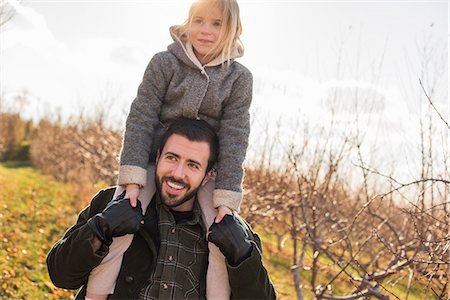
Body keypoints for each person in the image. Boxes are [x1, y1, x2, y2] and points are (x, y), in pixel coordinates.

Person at [87, 0, 253, 298]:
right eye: (198, 20)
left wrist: (226, 197)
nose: (205, 30)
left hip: (201, 172)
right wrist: (133, 178)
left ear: (233, 30)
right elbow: (142, 115)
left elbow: (235, 137)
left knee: (217, 241)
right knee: (122, 221)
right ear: (188, 22)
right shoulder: (165, 62)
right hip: (156, 162)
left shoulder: (238, 79)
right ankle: (96, 294)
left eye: (216, 24)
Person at [46, 118, 276, 300]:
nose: (177, 173)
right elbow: (61, 275)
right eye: (172, 158)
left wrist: (242, 255)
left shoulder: (233, 231)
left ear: (208, 176)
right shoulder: (114, 201)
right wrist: (101, 229)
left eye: (192, 165)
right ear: (157, 157)